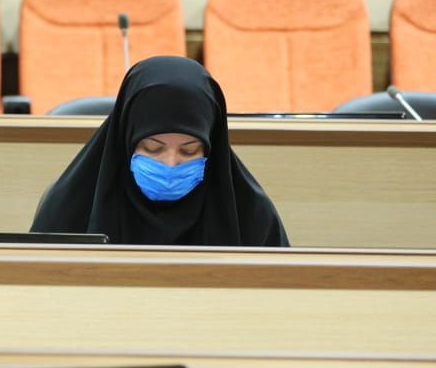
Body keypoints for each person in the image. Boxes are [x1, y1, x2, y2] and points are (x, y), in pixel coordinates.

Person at [32, 56, 289, 246]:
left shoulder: (251, 213)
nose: (171, 164)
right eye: (153, 148)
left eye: (189, 152)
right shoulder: (70, 208)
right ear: (125, 142)